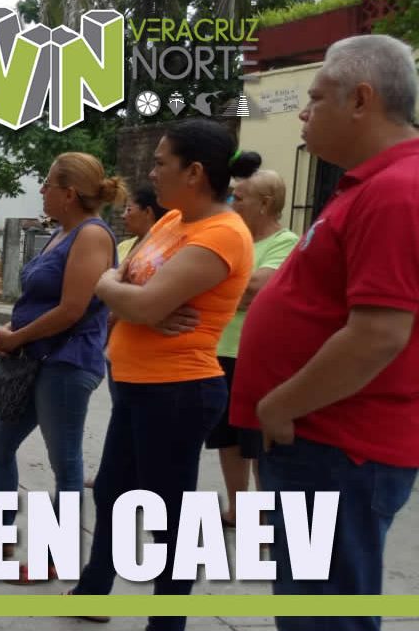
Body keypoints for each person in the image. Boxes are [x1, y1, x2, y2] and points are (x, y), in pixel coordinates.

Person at [231, 35, 419, 631]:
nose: (304, 113)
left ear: (361, 100)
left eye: (315, 98)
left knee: (325, 613)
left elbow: (379, 335)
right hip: (325, 441)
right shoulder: (371, 186)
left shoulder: (396, 192)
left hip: (338, 444)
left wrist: (281, 405)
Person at [70, 119, 254, 631]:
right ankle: (94, 588)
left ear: (195, 172)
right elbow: (129, 287)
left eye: (160, 162)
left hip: (177, 390)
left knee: (166, 516)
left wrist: (121, 292)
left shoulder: (222, 234)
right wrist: (128, 297)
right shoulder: (174, 220)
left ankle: (166, 621)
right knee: (111, 490)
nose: (149, 171)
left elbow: (136, 293)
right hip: (135, 382)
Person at [0, 154, 121, 571]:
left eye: (47, 184)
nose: (42, 191)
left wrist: (18, 336)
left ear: (68, 193)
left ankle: (58, 556)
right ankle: (0, 538)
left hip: (66, 362)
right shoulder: (62, 233)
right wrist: (14, 330)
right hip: (37, 357)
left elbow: (72, 308)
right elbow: (40, 299)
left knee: (65, 462)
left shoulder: (91, 235)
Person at [207, 164, 298, 526]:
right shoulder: (235, 238)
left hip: (256, 357)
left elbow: (256, 291)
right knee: (226, 437)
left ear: (265, 203)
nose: (231, 202)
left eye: (239, 197)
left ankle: (266, 515)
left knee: (258, 442)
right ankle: (237, 508)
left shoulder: (286, 243)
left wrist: (215, 284)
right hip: (219, 352)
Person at [116, 184, 167, 262]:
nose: (123, 216)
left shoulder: (165, 249)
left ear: (147, 212)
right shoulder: (123, 246)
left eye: (129, 209)